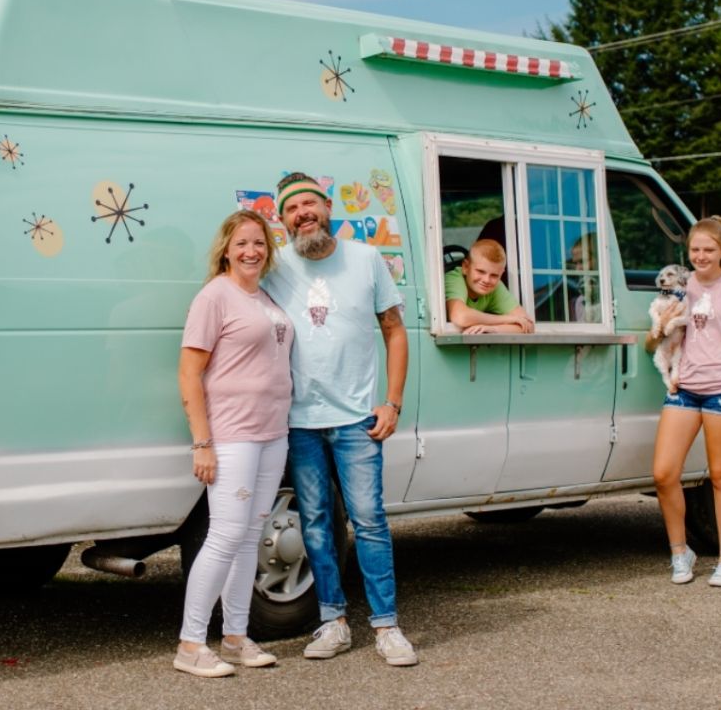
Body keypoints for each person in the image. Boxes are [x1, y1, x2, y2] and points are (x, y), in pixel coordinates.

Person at [262, 173, 418, 667]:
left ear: (327, 207)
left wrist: (391, 402)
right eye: (292, 208)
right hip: (300, 421)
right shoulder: (274, 266)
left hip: (356, 419)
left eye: (310, 203)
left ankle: (387, 627)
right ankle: (333, 621)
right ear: (282, 219)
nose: (302, 212)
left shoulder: (366, 259)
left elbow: (394, 331)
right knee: (316, 524)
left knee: (370, 521)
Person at [174, 209, 293, 678]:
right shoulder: (214, 297)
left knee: (249, 537)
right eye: (242, 243)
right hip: (232, 434)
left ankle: (237, 637)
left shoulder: (264, 296)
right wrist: (202, 442)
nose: (252, 251)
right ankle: (189, 644)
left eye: (260, 243)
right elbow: (189, 372)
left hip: (272, 433)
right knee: (224, 536)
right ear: (226, 248)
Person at [647, 216, 721, 587]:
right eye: (695, 249)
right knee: (664, 473)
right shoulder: (681, 286)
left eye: (708, 249)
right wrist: (660, 325)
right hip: (683, 389)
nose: (700, 255)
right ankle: (681, 552)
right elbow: (654, 343)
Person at [444, 239, 534, 334]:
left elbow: (528, 326)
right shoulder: (454, 278)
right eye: (480, 271)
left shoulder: (496, 286)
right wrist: (507, 319)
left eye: (494, 275)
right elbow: (460, 317)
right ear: (466, 267)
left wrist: (493, 329)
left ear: (501, 274)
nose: (486, 280)